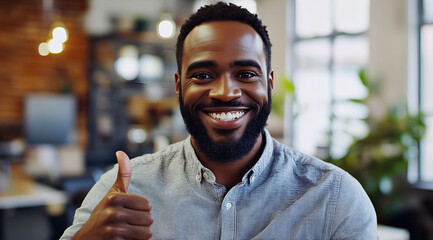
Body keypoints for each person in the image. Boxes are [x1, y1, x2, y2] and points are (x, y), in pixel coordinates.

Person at [61, 2, 377, 239]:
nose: (226, 92)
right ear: (177, 85)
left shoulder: (335, 200)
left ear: (269, 83)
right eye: (203, 75)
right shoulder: (123, 191)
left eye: (245, 74)